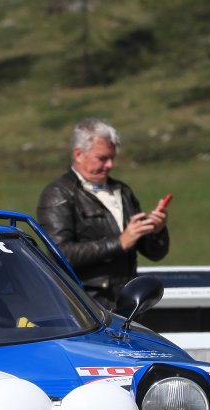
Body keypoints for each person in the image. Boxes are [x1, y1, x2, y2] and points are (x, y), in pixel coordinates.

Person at [36, 117, 169, 310]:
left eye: (112, 158)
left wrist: (157, 230)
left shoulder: (122, 191)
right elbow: (60, 254)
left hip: (128, 305)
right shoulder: (58, 194)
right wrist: (119, 243)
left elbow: (155, 254)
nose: (110, 165)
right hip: (85, 308)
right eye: (103, 158)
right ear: (78, 154)